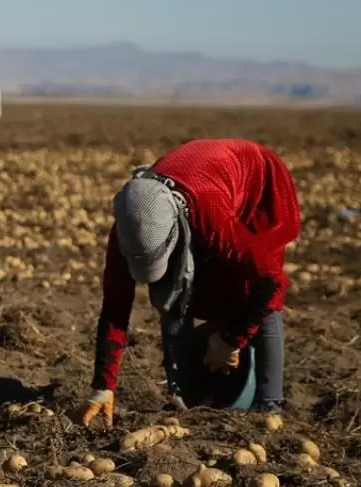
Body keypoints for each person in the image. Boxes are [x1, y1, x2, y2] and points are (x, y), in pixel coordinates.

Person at [82, 139, 302, 427]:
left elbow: (272, 281)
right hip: (204, 189)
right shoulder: (127, 231)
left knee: (252, 287)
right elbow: (114, 310)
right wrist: (103, 387)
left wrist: (231, 340)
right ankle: (183, 394)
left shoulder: (211, 216)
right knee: (175, 291)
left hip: (256, 184)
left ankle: (270, 405)